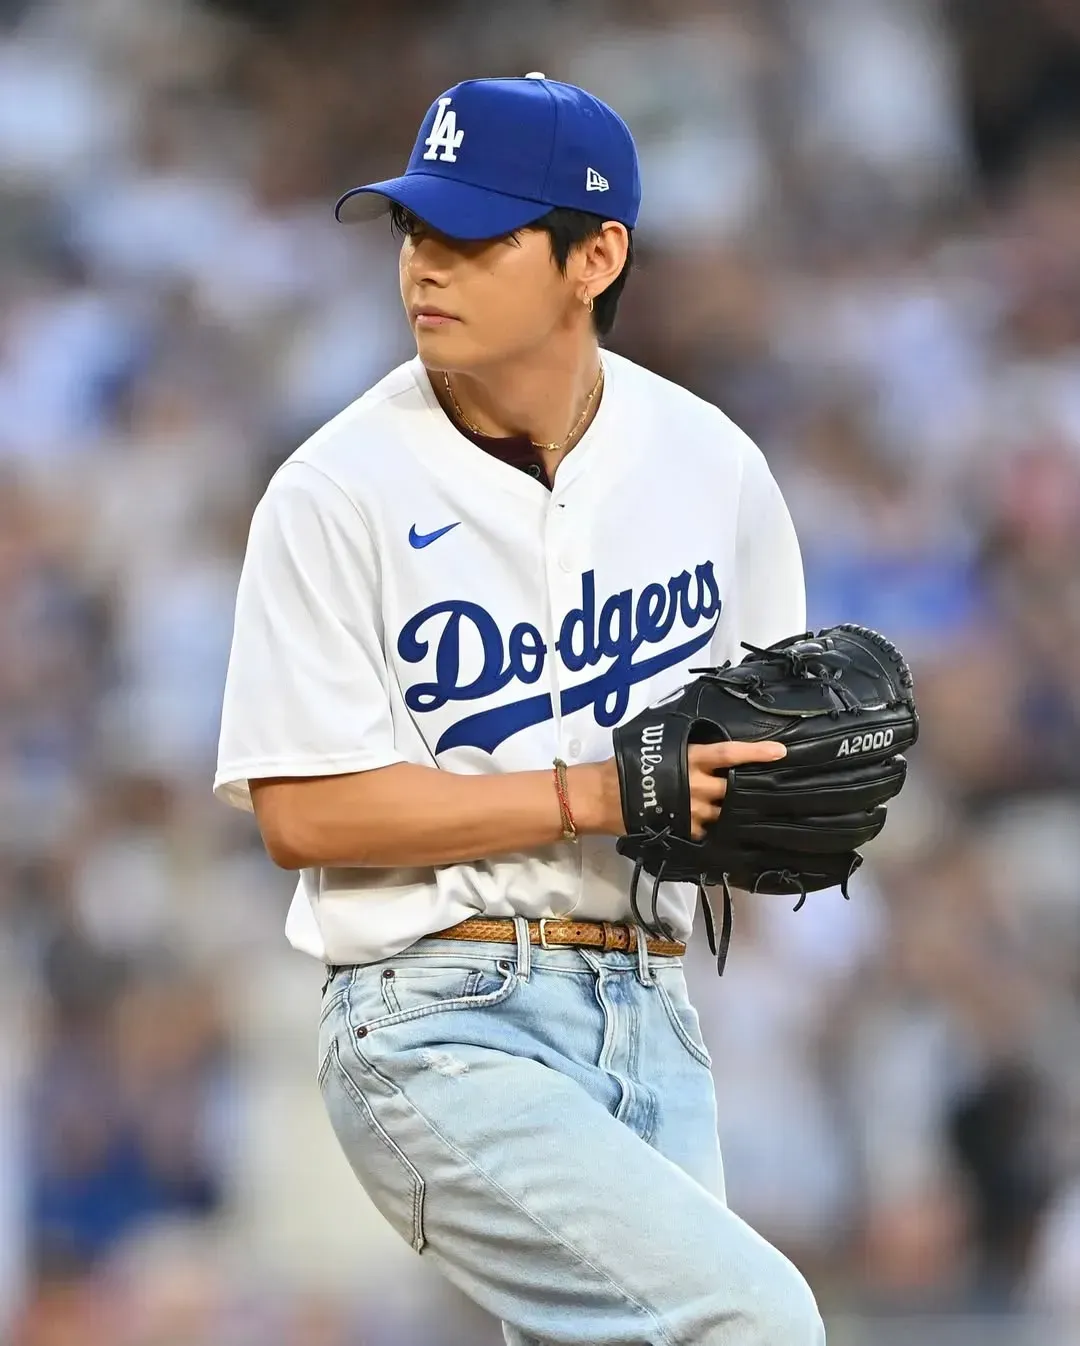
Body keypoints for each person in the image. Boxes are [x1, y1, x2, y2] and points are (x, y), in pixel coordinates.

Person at [215, 73, 823, 1346]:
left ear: (594, 255)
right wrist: (586, 793)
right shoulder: (335, 489)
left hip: (656, 1001)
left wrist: (780, 805)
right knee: (752, 1320)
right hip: (434, 1014)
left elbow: (767, 752)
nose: (425, 267)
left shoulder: (712, 466)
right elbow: (305, 811)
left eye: (474, 236)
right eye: (413, 230)